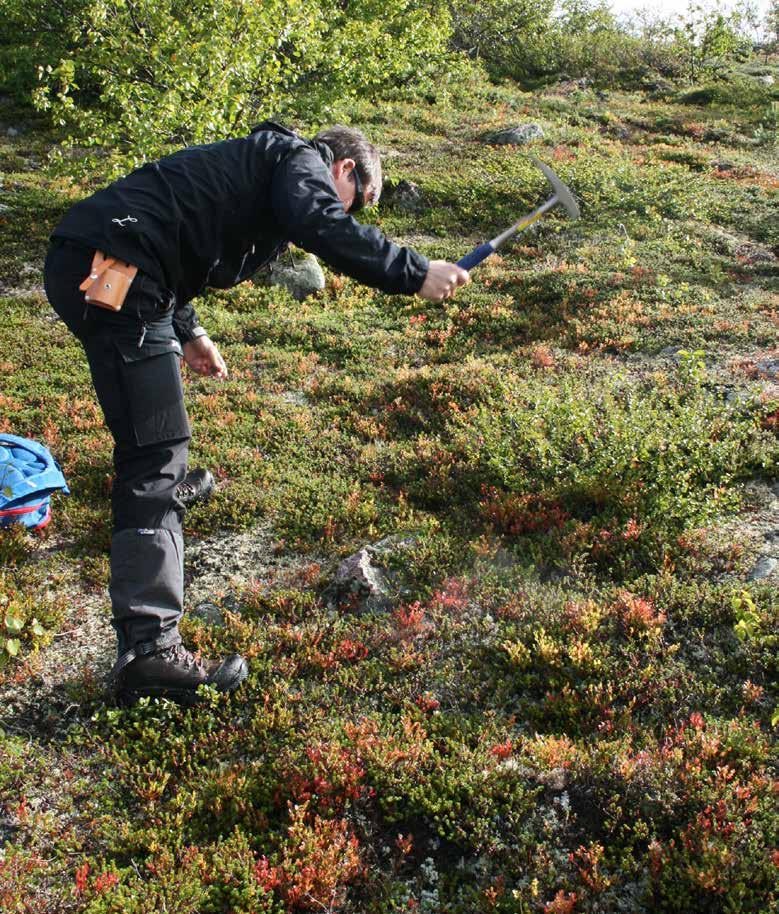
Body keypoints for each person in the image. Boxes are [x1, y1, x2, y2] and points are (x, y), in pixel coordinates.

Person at [43, 121, 469, 706]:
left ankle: (162, 501)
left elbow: (178, 227)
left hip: (116, 264)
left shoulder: (263, 166)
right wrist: (414, 271)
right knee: (154, 457)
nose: (354, 214)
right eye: (360, 201)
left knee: (155, 442)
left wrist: (188, 330)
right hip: (115, 267)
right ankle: (149, 653)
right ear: (344, 169)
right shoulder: (300, 160)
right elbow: (322, 223)